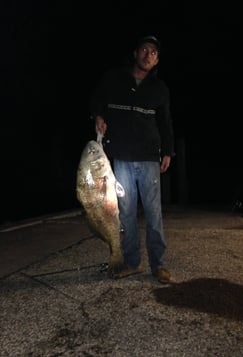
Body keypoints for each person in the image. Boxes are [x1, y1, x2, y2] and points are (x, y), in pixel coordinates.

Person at [90, 35, 175, 284]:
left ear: (157, 60)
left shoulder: (160, 89)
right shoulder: (114, 78)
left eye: (154, 53)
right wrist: (98, 116)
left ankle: (158, 265)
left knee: (153, 213)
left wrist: (168, 151)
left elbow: (166, 122)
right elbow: (97, 99)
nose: (148, 54)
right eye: (145, 50)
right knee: (125, 213)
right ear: (136, 53)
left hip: (149, 158)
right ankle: (132, 262)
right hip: (121, 158)